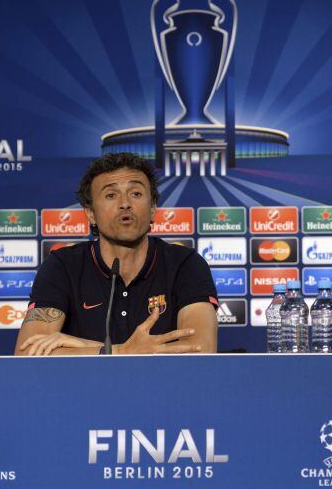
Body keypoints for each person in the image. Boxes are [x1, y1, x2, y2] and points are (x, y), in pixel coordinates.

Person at [14, 153, 218, 356]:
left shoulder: (185, 263)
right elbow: (28, 353)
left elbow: (200, 351)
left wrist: (80, 346)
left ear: (153, 208)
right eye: (111, 195)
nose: (125, 203)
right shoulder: (62, 266)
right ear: (91, 214)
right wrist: (121, 351)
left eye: (136, 193)